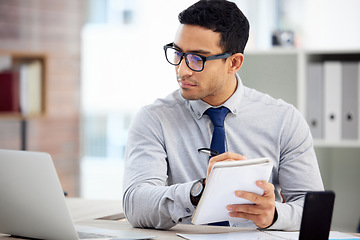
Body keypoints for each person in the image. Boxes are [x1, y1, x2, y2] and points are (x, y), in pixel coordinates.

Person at [122, 0, 324, 231]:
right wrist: (197, 191)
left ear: (234, 63)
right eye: (178, 53)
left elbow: (314, 212)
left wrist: (274, 214)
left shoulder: (284, 120)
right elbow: (135, 204)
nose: (182, 69)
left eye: (198, 58)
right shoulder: (154, 119)